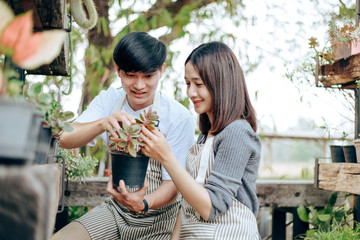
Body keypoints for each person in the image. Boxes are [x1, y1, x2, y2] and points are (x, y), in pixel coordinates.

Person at [52, 32, 195, 240]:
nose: (139, 85)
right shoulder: (109, 99)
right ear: (118, 70)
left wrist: (143, 203)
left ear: (161, 71)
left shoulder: (179, 117)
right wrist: (103, 123)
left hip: (161, 219)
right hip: (116, 212)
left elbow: (173, 186)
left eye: (148, 76)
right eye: (130, 75)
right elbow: (65, 138)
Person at [141, 41, 261, 239]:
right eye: (188, 83)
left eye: (198, 84)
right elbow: (187, 201)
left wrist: (166, 157)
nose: (190, 92)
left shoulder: (237, 133)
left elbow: (211, 207)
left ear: (221, 83)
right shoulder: (206, 135)